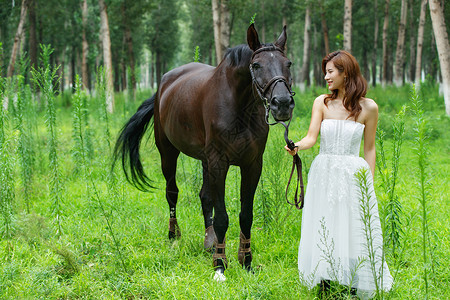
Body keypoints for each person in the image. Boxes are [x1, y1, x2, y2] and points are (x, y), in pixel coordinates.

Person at [285, 50, 393, 299]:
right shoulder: (321, 102)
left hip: (353, 173)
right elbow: (312, 137)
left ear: (346, 72)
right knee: (325, 221)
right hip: (324, 171)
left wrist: (370, 183)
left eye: (331, 71)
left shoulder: (369, 108)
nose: (326, 77)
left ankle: (354, 279)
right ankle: (325, 278)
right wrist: (297, 146)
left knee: (352, 225)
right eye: (326, 72)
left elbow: (369, 148)